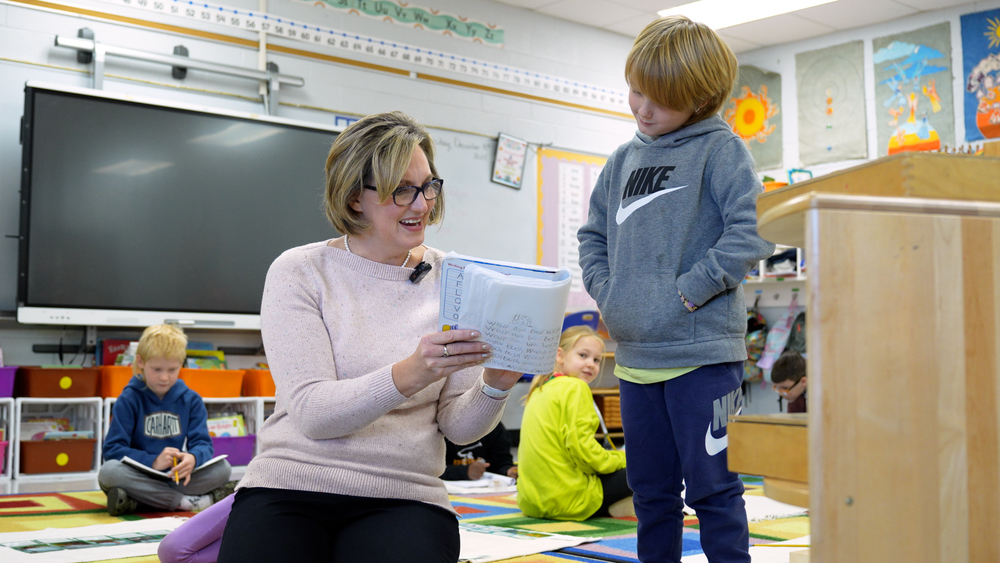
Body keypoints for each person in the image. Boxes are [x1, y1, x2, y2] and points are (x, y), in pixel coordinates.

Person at [216, 111, 522, 563]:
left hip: (406, 494)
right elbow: (315, 415)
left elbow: (458, 428)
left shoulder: (456, 279)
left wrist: (495, 383)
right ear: (355, 197)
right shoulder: (299, 271)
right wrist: (412, 372)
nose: (422, 205)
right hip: (291, 483)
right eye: (402, 190)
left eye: (428, 186)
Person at [576, 16, 776, 563]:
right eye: (637, 91)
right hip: (638, 360)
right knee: (652, 495)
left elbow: (755, 228)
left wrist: (693, 290)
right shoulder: (622, 160)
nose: (642, 109)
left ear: (700, 98)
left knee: (715, 490)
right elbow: (593, 236)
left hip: (702, 356)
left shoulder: (721, 150)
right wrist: (607, 292)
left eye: (660, 101)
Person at [99, 324, 234, 516]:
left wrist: (193, 458)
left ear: (182, 364)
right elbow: (112, 450)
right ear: (140, 362)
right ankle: (187, 502)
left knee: (223, 468)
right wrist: (153, 462)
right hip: (140, 475)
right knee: (109, 472)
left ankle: (138, 501)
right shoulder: (129, 399)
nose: (164, 377)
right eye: (157, 369)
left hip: (176, 476)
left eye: (172, 369)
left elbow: (203, 444)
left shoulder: (191, 400)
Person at [516, 325, 631, 521]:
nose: (591, 364)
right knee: (648, 466)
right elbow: (585, 455)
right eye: (583, 355)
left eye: (596, 360)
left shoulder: (540, 389)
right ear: (559, 355)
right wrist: (622, 458)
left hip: (532, 502)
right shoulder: (575, 387)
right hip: (567, 499)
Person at [442, 421, 518, 481]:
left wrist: (508, 471)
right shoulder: (439, 426)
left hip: (488, 490)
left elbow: (500, 462)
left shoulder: (493, 425)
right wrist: (463, 471)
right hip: (448, 491)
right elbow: (432, 470)